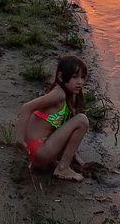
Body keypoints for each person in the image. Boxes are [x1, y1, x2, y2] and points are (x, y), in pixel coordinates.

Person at [15, 54, 89, 182]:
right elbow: (27, 107)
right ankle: (63, 169)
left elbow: (61, 127)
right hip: (38, 150)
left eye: (82, 77)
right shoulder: (59, 93)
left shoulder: (70, 95)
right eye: (75, 77)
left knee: (75, 120)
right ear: (61, 76)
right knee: (82, 120)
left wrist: (75, 156)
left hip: (39, 151)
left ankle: (61, 162)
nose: (80, 82)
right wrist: (19, 139)